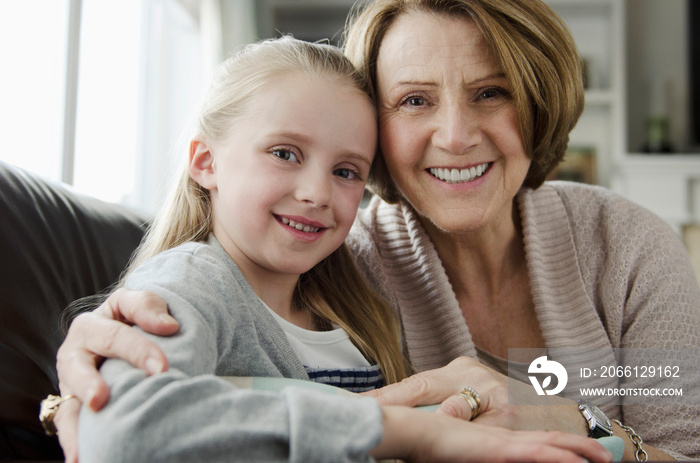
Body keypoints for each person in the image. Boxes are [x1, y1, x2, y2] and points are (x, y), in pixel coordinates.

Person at [53, 0, 700, 460]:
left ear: (538, 100)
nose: (454, 135)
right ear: (378, 132)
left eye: (491, 92)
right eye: (415, 100)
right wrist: (75, 386)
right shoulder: (334, 261)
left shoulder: (628, 245)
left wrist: (576, 416)